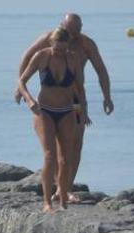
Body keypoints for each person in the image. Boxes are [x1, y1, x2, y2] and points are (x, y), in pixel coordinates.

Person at [15, 13, 113, 203]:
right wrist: (20, 89)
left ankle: (65, 189)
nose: (74, 34)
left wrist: (107, 97)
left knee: (75, 143)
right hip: (52, 102)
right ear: (62, 26)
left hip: (75, 100)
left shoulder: (86, 44)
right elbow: (27, 57)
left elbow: (101, 70)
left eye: (77, 30)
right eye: (70, 30)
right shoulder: (49, 39)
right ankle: (59, 188)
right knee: (58, 147)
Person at [18, 28, 85, 212]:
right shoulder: (42, 56)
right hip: (44, 111)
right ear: (51, 44)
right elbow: (22, 81)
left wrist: (82, 112)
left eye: (63, 49)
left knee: (65, 159)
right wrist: (30, 100)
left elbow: (80, 89)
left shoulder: (72, 59)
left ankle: (62, 200)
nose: (60, 53)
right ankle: (47, 202)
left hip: (66, 111)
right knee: (49, 156)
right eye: (57, 49)